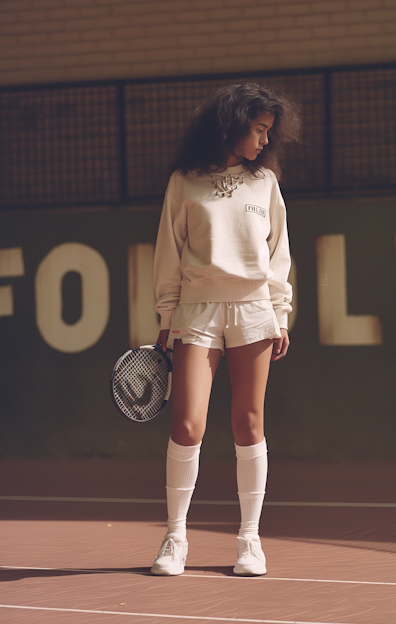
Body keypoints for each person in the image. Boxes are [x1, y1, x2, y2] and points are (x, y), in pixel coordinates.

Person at [151, 82, 300, 577]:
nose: (263, 140)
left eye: (267, 132)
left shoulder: (266, 183)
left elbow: (278, 256)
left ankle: (249, 541)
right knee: (187, 425)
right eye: (257, 130)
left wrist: (279, 313)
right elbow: (168, 256)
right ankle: (175, 539)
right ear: (233, 125)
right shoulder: (183, 182)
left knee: (248, 424)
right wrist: (167, 318)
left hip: (254, 310)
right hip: (195, 312)